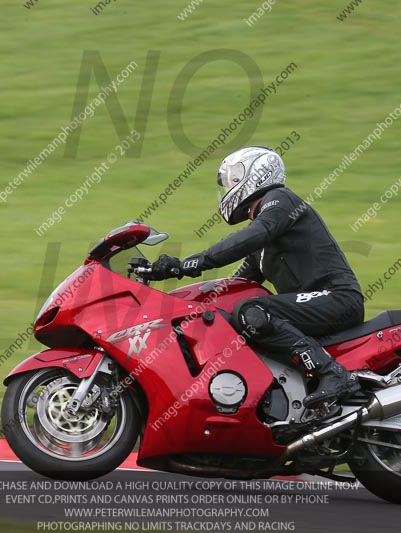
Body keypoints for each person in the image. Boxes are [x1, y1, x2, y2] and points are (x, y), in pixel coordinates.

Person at [151, 146, 364, 418]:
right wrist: (180, 305)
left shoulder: (280, 201)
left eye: (231, 180)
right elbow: (235, 284)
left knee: (252, 311)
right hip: (316, 304)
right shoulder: (262, 247)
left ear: (254, 174)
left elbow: (253, 235)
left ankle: (332, 373)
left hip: (337, 298)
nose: (227, 187)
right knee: (236, 312)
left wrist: (189, 263)